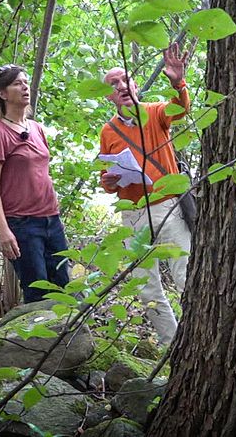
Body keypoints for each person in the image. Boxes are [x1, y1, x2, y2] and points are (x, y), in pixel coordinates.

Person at [99, 43, 191, 345]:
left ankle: (199, 338)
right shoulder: (108, 131)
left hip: (167, 207)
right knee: (146, 286)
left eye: (125, 79)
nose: (121, 86)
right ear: (109, 96)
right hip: (133, 214)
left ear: (135, 84)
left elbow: (181, 109)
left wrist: (178, 82)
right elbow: (106, 178)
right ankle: (171, 345)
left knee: (185, 274)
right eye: (113, 84)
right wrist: (110, 181)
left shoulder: (154, 113)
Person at [0, 64, 69, 303]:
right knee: (37, 291)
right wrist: (3, 229)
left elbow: (41, 170)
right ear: (2, 93)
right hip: (22, 224)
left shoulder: (37, 128)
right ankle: (36, 341)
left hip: (51, 220)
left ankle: (65, 339)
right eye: (17, 83)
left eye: (26, 82)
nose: (25, 87)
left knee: (63, 288)